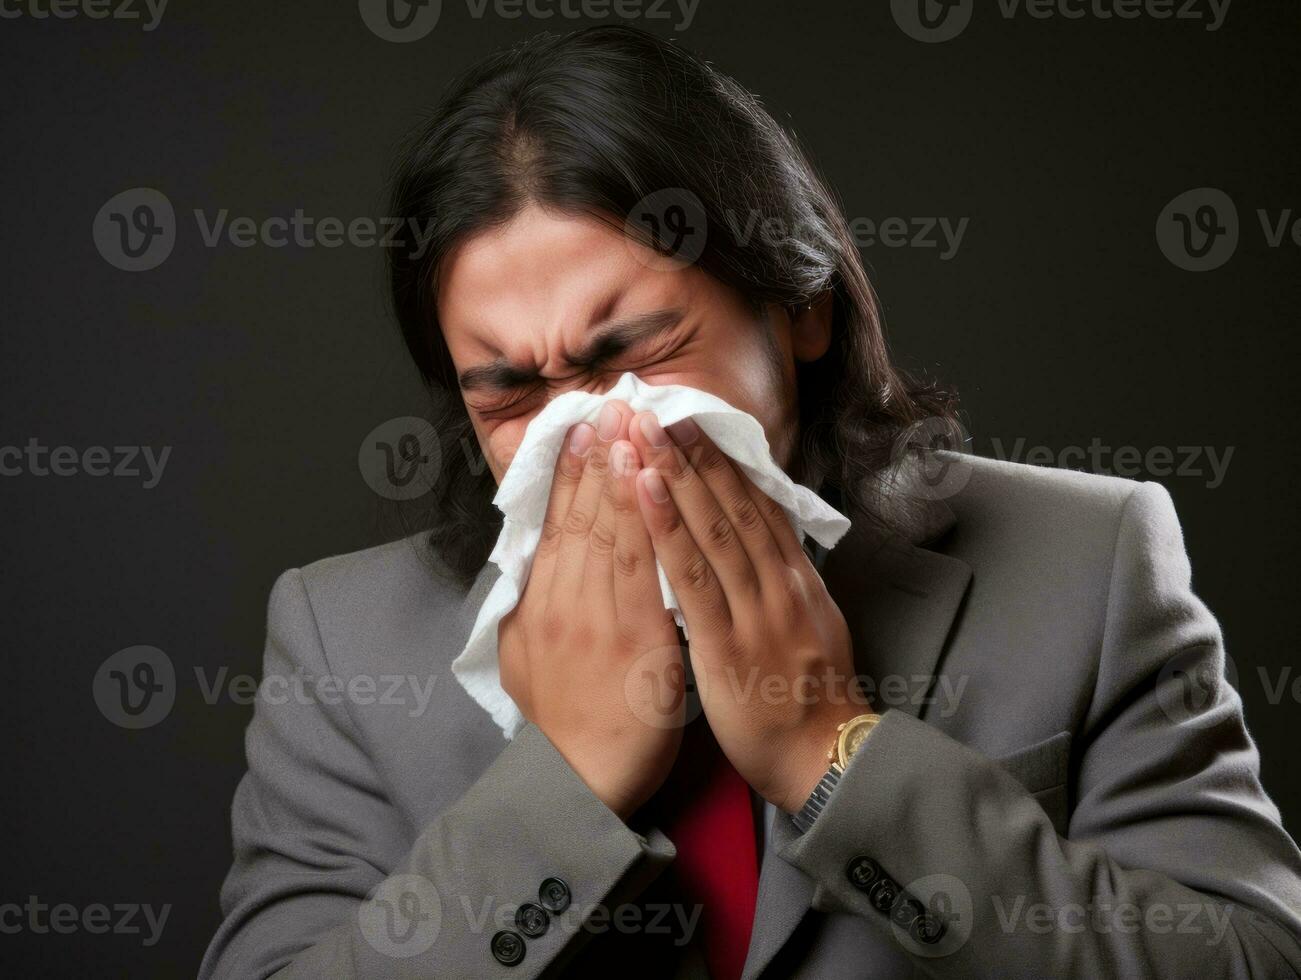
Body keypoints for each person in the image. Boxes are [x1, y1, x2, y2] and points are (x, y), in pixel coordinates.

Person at [200, 25, 1301, 979]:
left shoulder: (1084, 561)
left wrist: (832, 751)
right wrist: (564, 782)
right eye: (513, 392)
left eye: (634, 351)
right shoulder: (341, 636)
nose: (588, 429)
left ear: (797, 307)